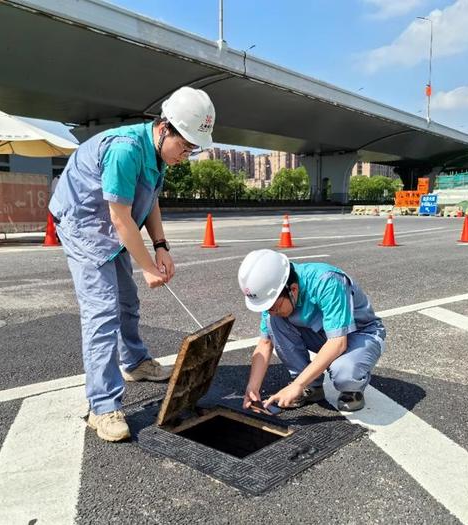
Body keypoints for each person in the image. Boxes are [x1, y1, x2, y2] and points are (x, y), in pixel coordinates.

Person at [49, 87, 215, 442]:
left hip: (112, 224)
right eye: (185, 146)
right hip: (84, 224)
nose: (186, 155)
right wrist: (149, 268)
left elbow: (150, 200)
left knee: (127, 300)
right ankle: (103, 406)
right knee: (102, 310)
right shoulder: (125, 150)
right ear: (165, 128)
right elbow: (120, 218)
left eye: (192, 149)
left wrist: (160, 246)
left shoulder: (159, 155)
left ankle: (135, 362)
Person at [237, 249, 386, 412]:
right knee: (274, 322)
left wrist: (297, 384)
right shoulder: (275, 292)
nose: (270, 311)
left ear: (292, 290)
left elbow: (338, 343)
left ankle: (353, 389)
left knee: (344, 374)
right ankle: (311, 387)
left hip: (359, 334)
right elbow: (265, 343)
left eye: (274, 307)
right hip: (324, 334)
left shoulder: (327, 281)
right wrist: (252, 388)